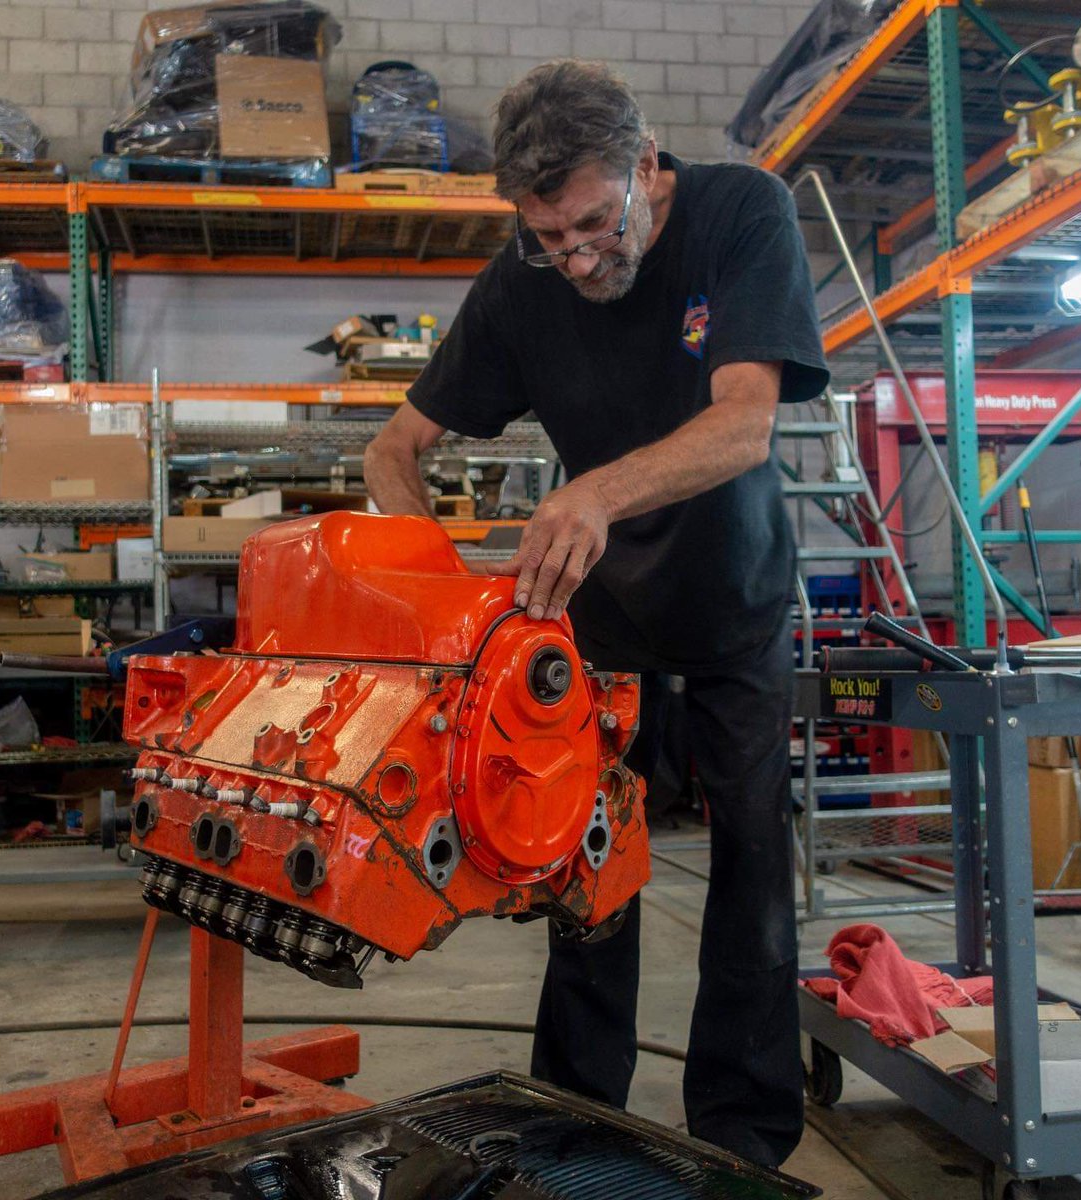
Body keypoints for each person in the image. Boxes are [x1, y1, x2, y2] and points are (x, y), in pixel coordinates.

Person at [363, 59, 829, 1167]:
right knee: (581, 873)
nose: (576, 260)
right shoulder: (522, 281)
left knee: (752, 869)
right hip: (600, 626)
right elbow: (393, 450)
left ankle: (743, 1133)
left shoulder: (738, 212)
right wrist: (438, 603)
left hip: (735, 604)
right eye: (549, 239)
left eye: (592, 227)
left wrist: (594, 490)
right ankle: (572, 1123)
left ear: (646, 167)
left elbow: (745, 426)